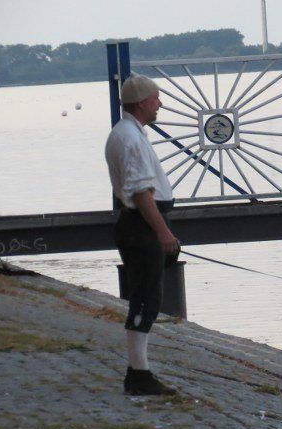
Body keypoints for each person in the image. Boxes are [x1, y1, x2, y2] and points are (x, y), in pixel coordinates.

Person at [105, 74, 179, 395]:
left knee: (146, 297)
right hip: (142, 225)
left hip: (139, 224)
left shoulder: (129, 133)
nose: (160, 104)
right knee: (146, 298)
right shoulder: (130, 139)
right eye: (156, 98)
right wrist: (163, 232)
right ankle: (139, 374)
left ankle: (138, 371)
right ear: (142, 102)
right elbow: (141, 193)